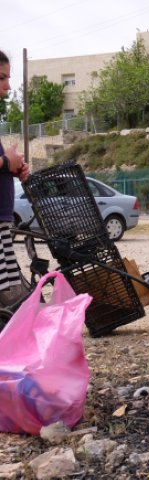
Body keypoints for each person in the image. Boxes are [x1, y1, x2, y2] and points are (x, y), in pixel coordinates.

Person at [0, 49, 31, 306]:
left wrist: (14, 166)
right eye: (1, 78)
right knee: (5, 293)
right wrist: (5, 162)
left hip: (2, 218)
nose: (8, 86)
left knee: (11, 289)